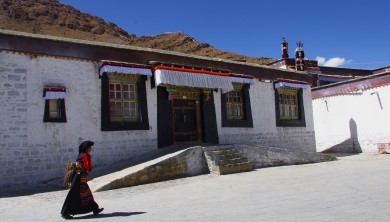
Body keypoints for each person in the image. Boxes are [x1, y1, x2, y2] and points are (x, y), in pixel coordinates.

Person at [61, 140, 104, 219]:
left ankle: (95, 209)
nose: (90, 149)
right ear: (86, 148)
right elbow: (87, 167)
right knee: (74, 195)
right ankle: (65, 213)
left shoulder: (81, 155)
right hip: (79, 178)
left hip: (80, 178)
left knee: (87, 194)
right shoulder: (85, 155)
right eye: (89, 147)